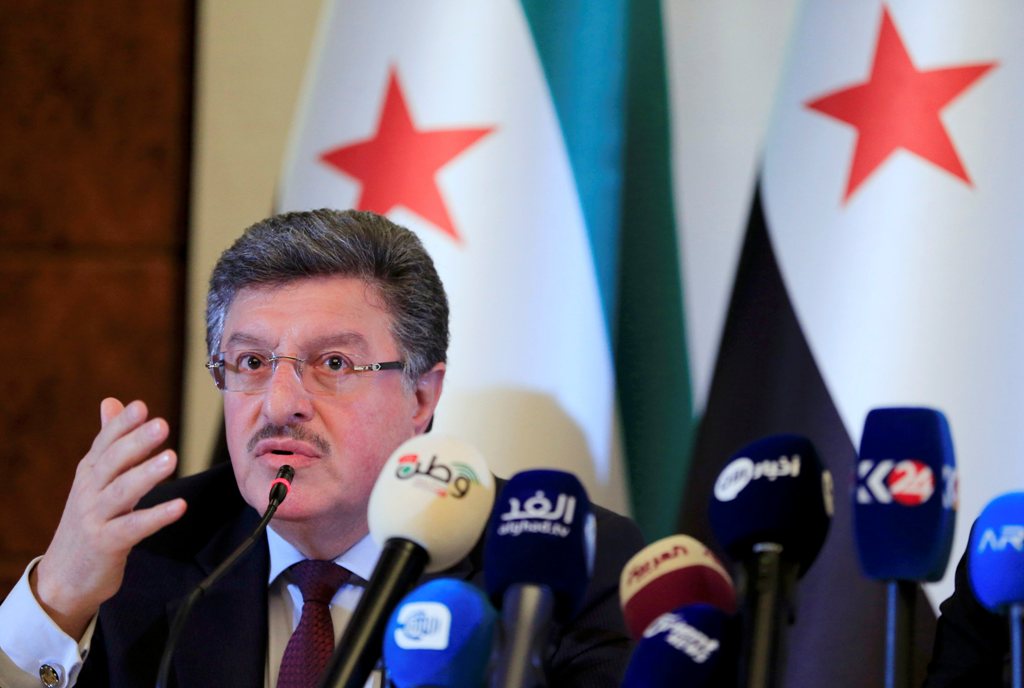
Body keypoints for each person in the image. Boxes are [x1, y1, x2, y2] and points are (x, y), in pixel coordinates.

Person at [0, 209, 645, 687]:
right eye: (252, 362)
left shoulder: (562, 567)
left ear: (421, 396)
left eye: (334, 363)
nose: (279, 404)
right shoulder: (146, 552)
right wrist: (59, 596)